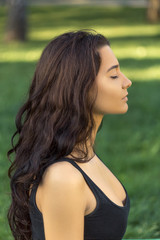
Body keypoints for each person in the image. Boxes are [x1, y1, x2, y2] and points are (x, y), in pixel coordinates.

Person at [7, 29, 132, 240]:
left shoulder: (85, 155)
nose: (126, 81)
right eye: (113, 75)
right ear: (79, 88)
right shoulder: (63, 178)